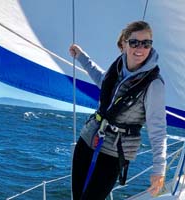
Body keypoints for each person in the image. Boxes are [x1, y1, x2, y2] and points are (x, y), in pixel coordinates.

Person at [68, 20, 168, 199]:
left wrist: (159, 168)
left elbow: (158, 128)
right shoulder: (118, 68)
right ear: (124, 44)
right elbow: (103, 81)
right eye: (134, 42)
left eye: (146, 43)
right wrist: (81, 56)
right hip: (89, 137)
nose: (140, 48)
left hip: (114, 152)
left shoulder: (154, 84)